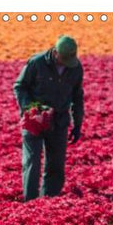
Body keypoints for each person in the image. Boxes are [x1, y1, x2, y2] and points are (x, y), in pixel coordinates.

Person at [13, 35, 85, 201]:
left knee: (56, 165)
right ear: (55, 52)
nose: (66, 63)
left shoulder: (75, 68)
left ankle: (49, 202)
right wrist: (30, 108)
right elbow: (20, 86)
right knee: (32, 163)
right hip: (34, 121)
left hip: (59, 121)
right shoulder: (37, 63)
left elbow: (77, 97)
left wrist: (77, 124)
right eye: (63, 59)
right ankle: (30, 202)